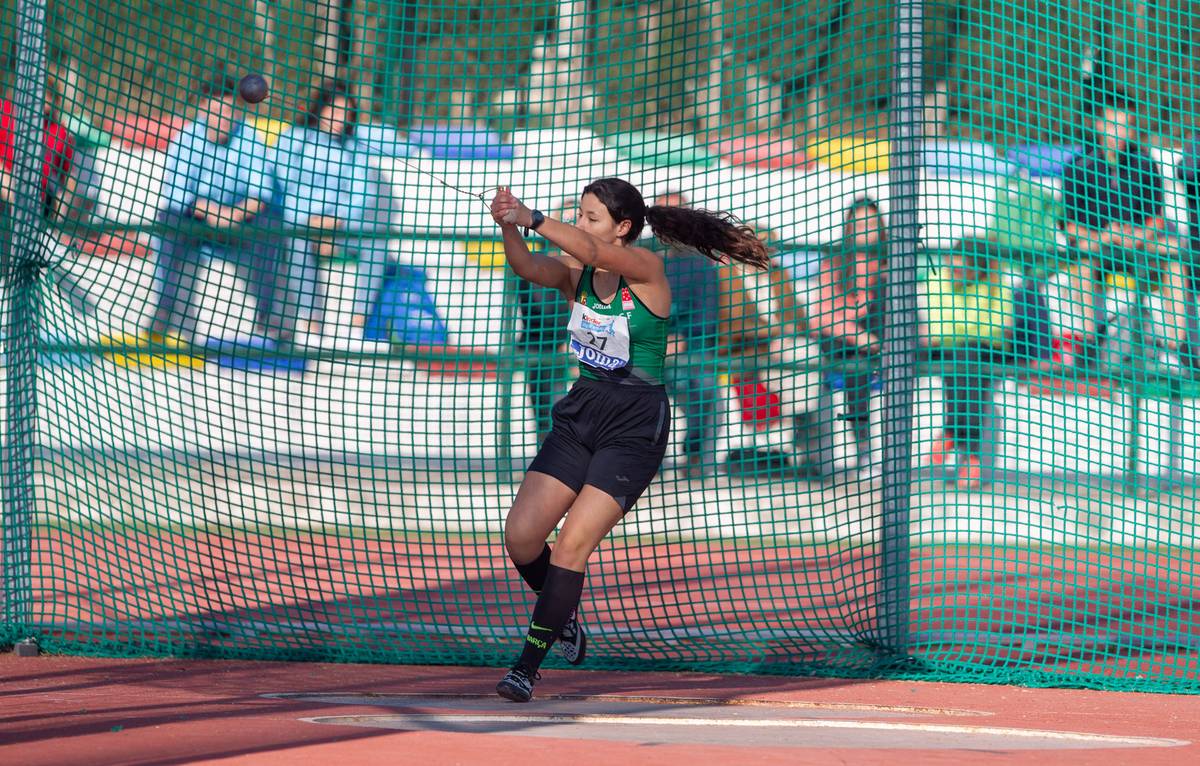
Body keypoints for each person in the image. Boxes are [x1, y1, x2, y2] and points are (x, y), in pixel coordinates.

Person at [488, 178, 769, 702]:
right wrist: (509, 226)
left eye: (591, 216)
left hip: (635, 424)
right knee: (522, 538)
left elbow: (592, 247)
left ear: (623, 228)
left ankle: (527, 667)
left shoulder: (646, 269)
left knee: (573, 546)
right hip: (582, 413)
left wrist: (534, 218)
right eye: (580, 213)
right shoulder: (580, 273)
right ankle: (562, 615)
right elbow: (529, 267)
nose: (582, 222)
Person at [148, 73, 291, 344]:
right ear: (203, 109)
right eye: (215, 111)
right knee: (168, 221)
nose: (222, 118)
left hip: (240, 222)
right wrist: (211, 211)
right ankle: (164, 312)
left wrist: (233, 214)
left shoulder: (249, 137)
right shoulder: (187, 138)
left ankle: (270, 319)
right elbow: (177, 195)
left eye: (227, 111)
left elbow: (262, 192)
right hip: (199, 221)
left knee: (271, 226)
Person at [1060, 87, 1188, 371]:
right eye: (1113, 123)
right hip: (1100, 249)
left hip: (1138, 249)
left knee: (1175, 257)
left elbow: (1157, 218)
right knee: (1082, 260)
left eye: (1126, 125)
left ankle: (1174, 347)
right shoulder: (1079, 167)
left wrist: (1136, 236)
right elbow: (1070, 226)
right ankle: (1089, 346)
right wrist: (1106, 236)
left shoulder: (1144, 164)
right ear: (1099, 124)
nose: (1119, 132)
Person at [273, 80, 390, 341]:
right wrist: (311, 222)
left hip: (339, 226)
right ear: (320, 109)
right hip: (301, 224)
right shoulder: (293, 140)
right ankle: (309, 324)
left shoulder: (354, 147)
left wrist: (335, 221)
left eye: (345, 114)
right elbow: (280, 188)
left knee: (376, 240)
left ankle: (359, 322)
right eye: (334, 111)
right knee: (296, 244)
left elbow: (363, 192)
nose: (339, 120)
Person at [919, 239, 1017, 490]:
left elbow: (1001, 327)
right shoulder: (937, 278)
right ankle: (972, 454)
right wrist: (971, 328)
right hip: (951, 351)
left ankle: (952, 431)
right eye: (954, 263)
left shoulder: (995, 283)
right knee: (964, 360)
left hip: (984, 351)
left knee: (969, 358)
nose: (956, 269)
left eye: (964, 266)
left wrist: (962, 329)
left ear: (979, 268)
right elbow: (937, 327)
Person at [804, 196, 888, 479]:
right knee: (855, 372)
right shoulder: (835, 263)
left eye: (871, 224)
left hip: (878, 339)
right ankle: (861, 451)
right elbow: (822, 317)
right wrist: (859, 336)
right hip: (843, 343)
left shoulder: (889, 264)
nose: (866, 230)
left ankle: (879, 454)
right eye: (860, 223)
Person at [652, 191, 723, 479]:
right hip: (647, 350)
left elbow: (705, 318)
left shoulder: (700, 264)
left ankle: (695, 459)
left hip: (688, 352)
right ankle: (645, 461)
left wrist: (679, 342)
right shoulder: (642, 259)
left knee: (704, 386)